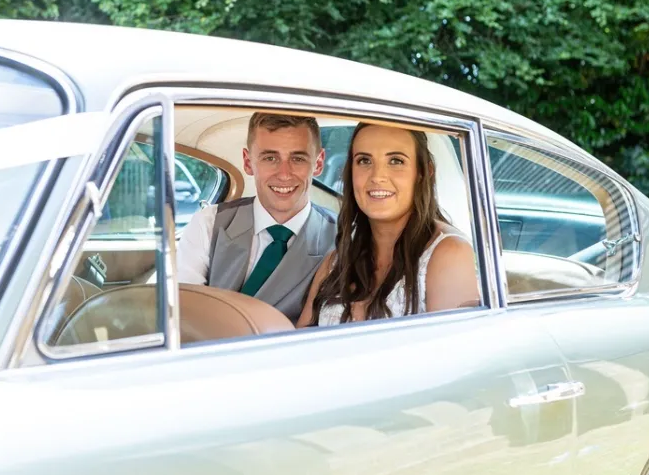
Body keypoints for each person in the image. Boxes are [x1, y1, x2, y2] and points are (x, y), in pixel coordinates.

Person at [297, 122, 480, 327]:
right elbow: (295, 344)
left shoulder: (449, 253)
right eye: (364, 160)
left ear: (423, 172)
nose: (377, 177)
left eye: (395, 161)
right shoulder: (337, 260)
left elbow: (452, 355)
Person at [177, 112, 336, 323]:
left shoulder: (342, 238)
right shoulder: (209, 224)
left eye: (297, 159)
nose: (284, 174)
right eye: (270, 158)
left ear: (318, 163)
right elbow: (184, 314)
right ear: (248, 162)